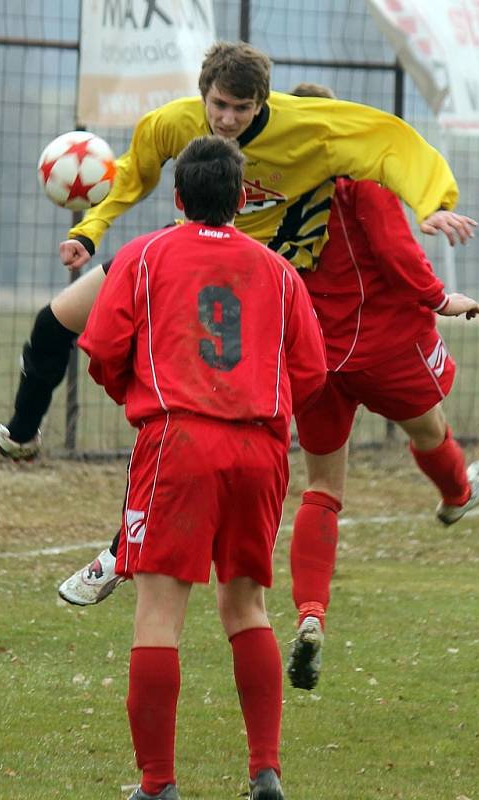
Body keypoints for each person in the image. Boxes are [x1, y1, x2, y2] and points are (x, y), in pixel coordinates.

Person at [0, 40, 476, 468]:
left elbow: (395, 144)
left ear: (262, 103)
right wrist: (90, 231)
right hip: (183, 251)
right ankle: (19, 437)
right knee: (55, 322)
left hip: (252, 277)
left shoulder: (313, 129)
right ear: (204, 94)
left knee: (195, 412)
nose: (226, 120)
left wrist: (431, 203)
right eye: (218, 105)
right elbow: (133, 173)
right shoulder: (174, 121)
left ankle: (130, 543)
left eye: (241, 109)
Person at [78, 134, 327, 800]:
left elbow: (100, 348)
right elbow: (309, 370)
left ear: (179, 196)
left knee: (159, 612)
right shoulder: (278, 270)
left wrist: (143, 394)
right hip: (260, 449)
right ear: (242, 200)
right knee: (248, 605)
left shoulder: (148, 253)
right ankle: (265, 771)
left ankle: (158, 784)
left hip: (179, 442)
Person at [283, 82, 479, 691]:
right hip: (382, 344)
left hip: (313, 355)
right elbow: (397, 251)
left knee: (321, 487)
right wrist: (440, 297)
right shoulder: (358, 180)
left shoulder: (270, 191)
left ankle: (311, 614)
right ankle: (457, 495)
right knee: (429, 428)